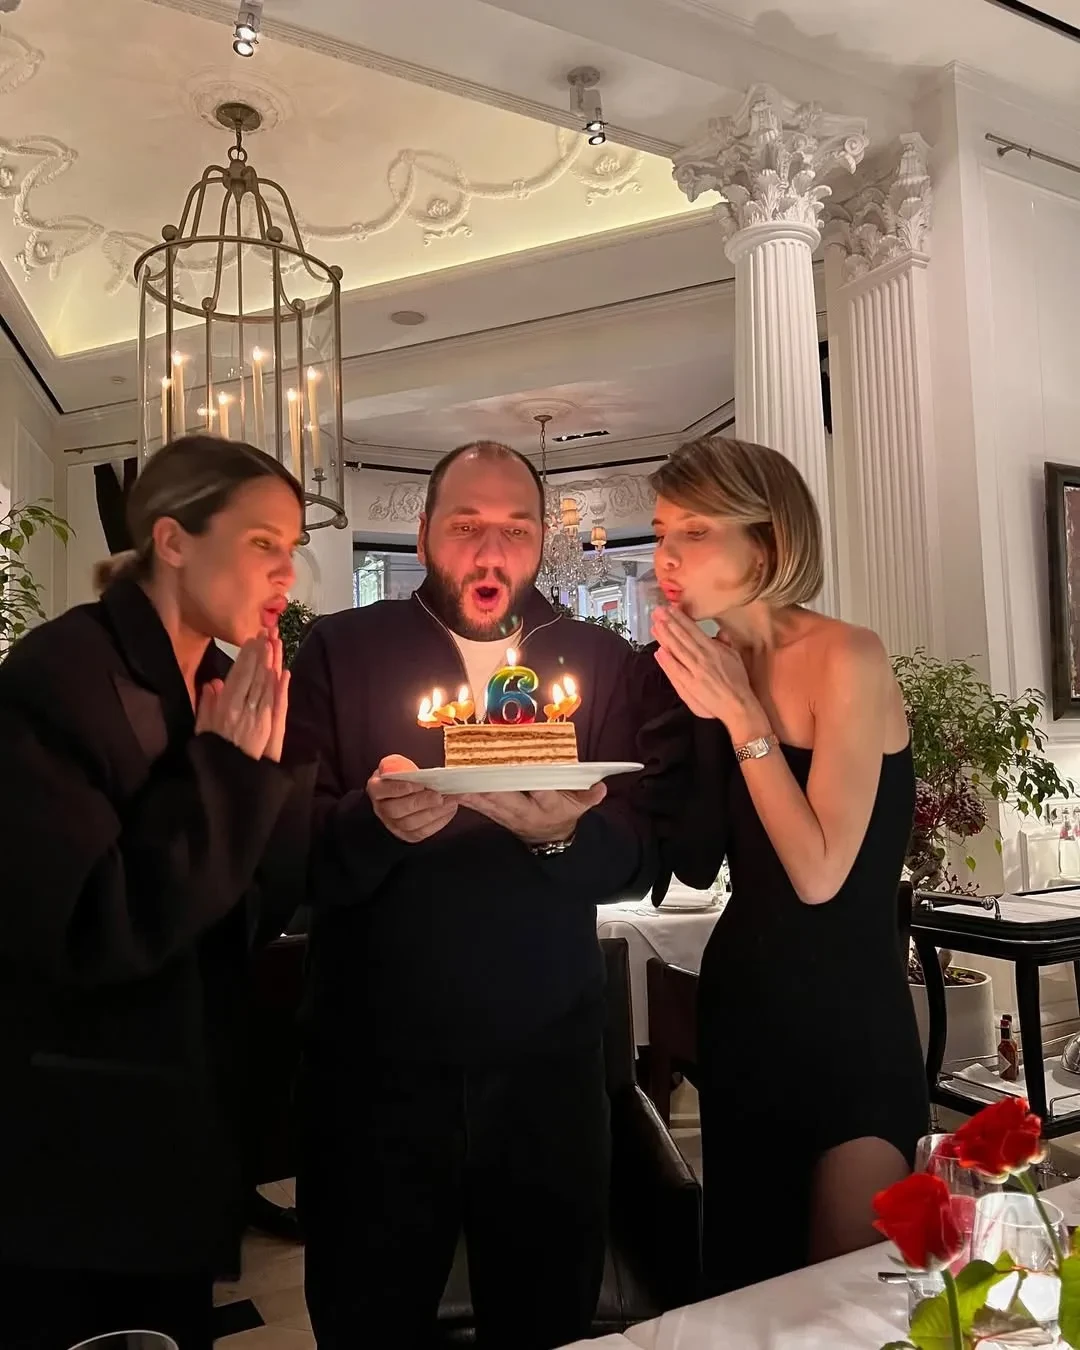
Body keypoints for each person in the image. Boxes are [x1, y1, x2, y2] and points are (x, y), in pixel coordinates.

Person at [285, 440, 655, 1350]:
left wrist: (560, 834)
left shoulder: (598, 660)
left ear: (541, 541)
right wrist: (375, 825)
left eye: (516, 531)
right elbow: (288, 858)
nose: (492, 553)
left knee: (545, 1318)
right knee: (368, 1320)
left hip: (546, 1070)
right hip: (373, 1068)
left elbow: (640, 858)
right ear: (422, 536)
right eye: (466, 527)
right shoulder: (341, 649)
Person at [0, 435, 314, 1350]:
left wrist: (276, 777)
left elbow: (252, 910)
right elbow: (88, 926)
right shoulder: (54, 680)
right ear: (173, 540)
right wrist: (225, 772)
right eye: (263, 543)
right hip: (77, 1144)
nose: (286, 573)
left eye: (293, 549)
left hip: (183, 1122)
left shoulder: (219, 681)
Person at [642, 435, 928, 1294]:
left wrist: (741, 717)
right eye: (661, 532)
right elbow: (695, 860)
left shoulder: (848, 655)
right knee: (753, 1296)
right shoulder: (711, 668)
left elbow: (820, 874)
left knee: (847, 1309)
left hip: (850, 1022)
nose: (666, 556)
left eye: (695, 531)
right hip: (743, 1014)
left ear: (766, 543)